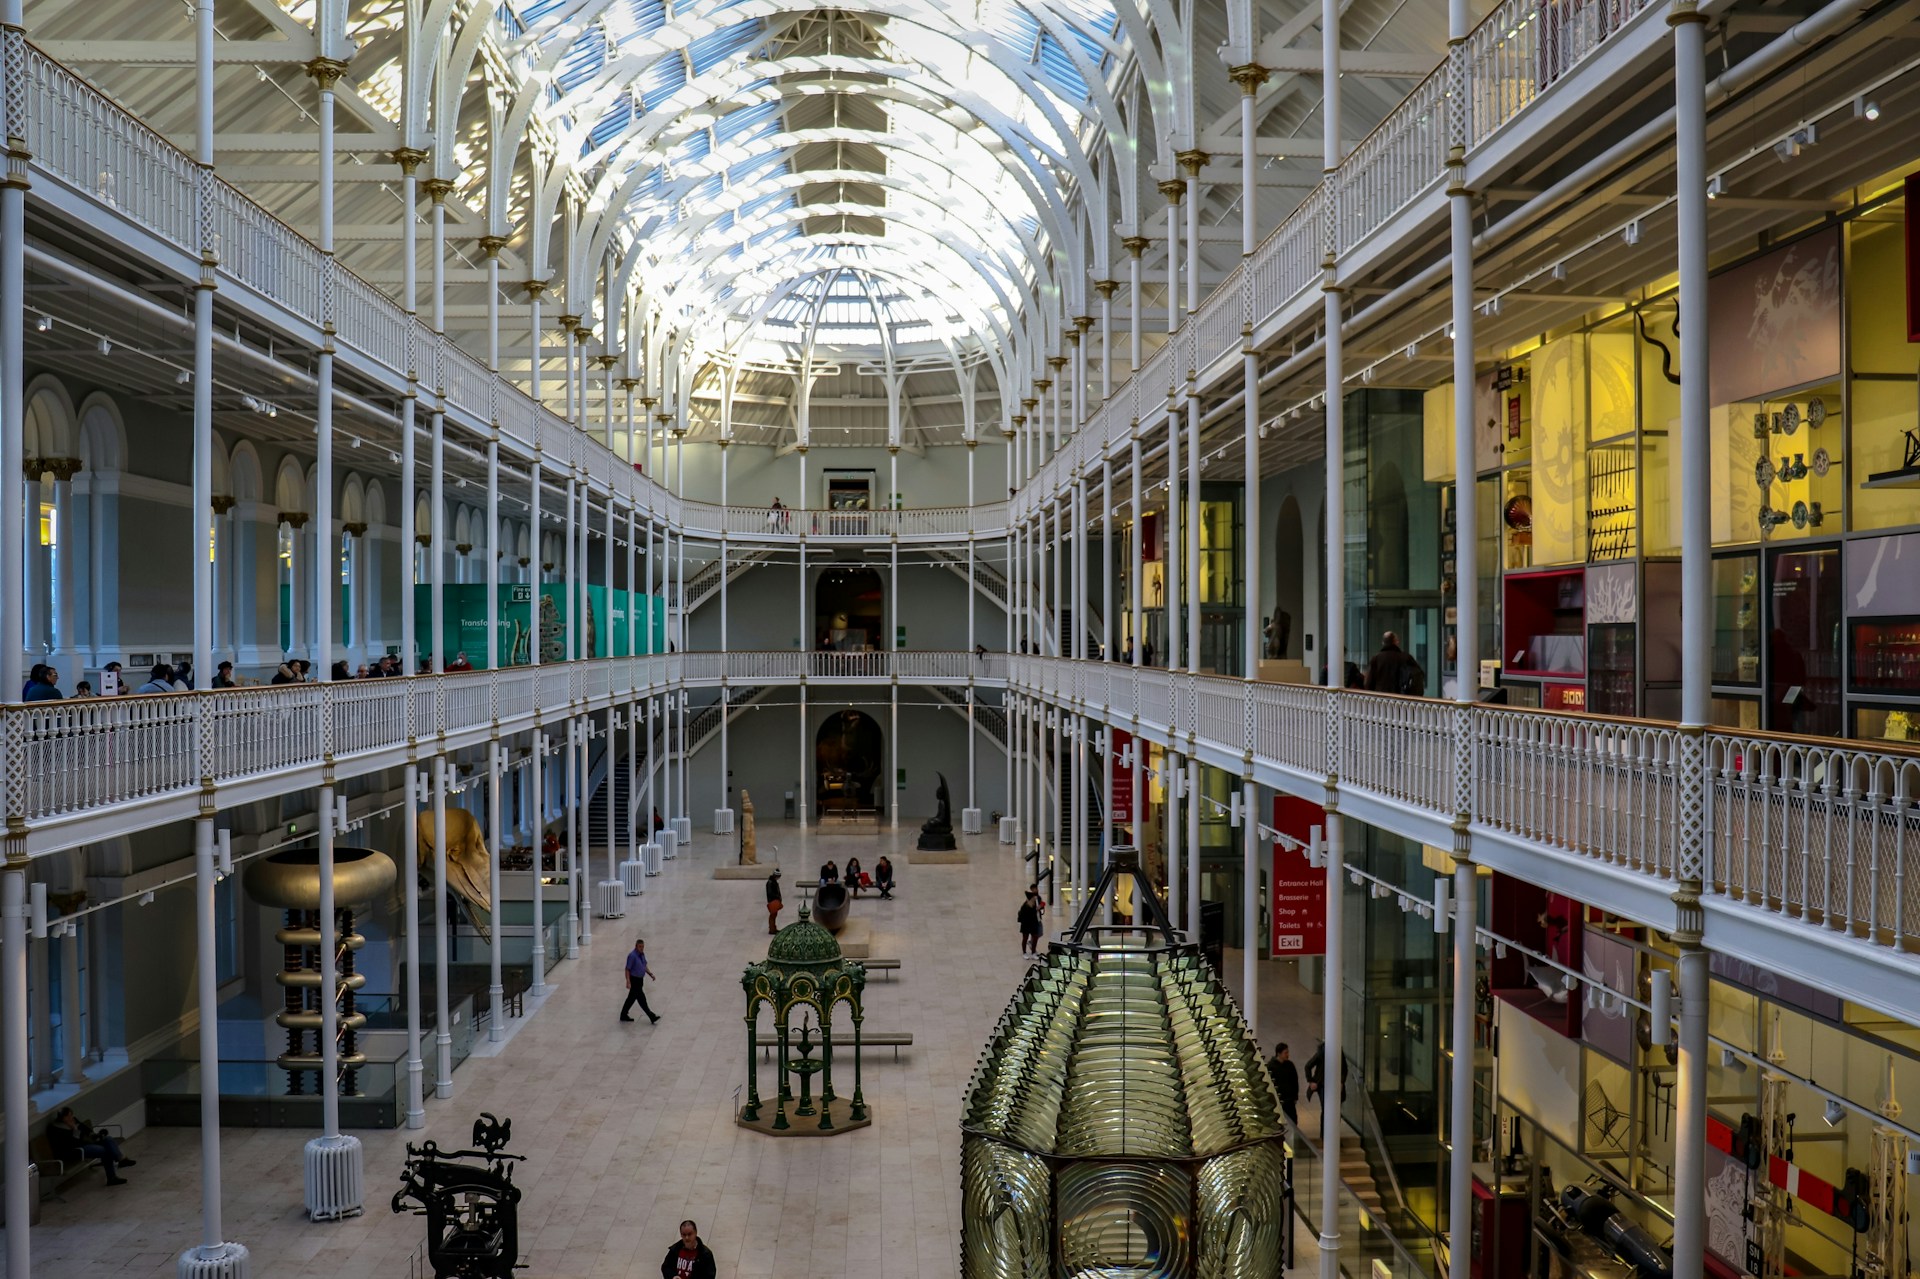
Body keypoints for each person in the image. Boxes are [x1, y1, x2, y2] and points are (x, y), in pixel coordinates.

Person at [47, 1106, 133, 1185]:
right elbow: (71, 1144)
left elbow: (85, 1129)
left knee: (108, 1139)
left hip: (85, 1143)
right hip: (75, 1150)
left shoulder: (73, 1120)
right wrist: (75, 1130)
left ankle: (120, 1159)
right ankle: (112, 1178)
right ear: (63, 1118)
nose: (71, 1118)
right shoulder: (56, 1129)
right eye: (68, 1116)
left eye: (71, 1115)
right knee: (104, 1151)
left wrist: (94, 1135)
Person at [1366, 631, 1423, 696]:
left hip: (1381, 699)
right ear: (1396, 642)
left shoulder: (1376, 659)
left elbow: (1368, 683)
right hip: (1402, 699)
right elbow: (1417, 676)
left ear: (1383, 643)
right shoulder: (1406, 658)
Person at [620, 938, 660, 1024]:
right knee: (641, 999)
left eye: (643, 947)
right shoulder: (632, 956)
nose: (641, 948)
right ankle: (651, 1016)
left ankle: (623, 1014)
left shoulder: (642, 955)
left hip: (640, 980)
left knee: (631, 998)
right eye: (640, 947)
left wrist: (650, 974)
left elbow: (644, 966)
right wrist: (628, 981)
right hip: (634, 980)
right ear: (636, 946)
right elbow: (627, 969)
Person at [1268, 1043, 1300, 1127]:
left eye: (1287, 1052)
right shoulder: (1271, 1066)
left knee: (1293, 1121)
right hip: (1279, 1100)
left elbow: (1295, 1081)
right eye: (1285, 1053)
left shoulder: (1290, 1065)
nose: (1287, 1055)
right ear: (1279, 1053)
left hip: (1289, 1100)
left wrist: (1295, 1096)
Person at [1017, 890, 1043, 958]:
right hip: (1026, 924)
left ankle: (1033, 952)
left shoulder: (1035, 904)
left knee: (1035, 937)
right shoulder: (1025, 906)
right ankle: (1024, 952)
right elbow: (1024, 915)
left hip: (1033, 924)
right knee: (1025, 938)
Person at [765, 868, 784, 935]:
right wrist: (777, 897)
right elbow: (770, 893)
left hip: (774, 900)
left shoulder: (772, 882)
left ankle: (773, 928)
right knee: (773, 915)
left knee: (774, 915)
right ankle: (772, 929)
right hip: (772, 901)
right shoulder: (770, 883)